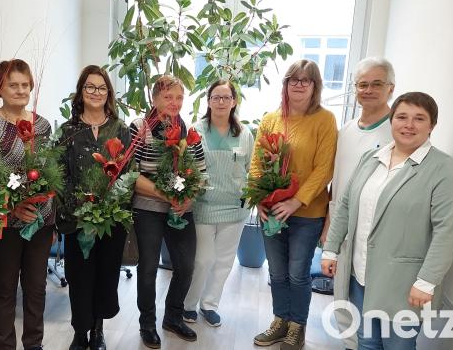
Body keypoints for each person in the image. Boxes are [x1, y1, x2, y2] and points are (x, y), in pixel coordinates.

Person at [321, 92, 453, 350]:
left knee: (398, 345)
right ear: (391, 120)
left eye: (419, 118)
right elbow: (346, 205)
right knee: (366, 343)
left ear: (432, 125)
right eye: (402, 117)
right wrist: (331, 249)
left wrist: (427, 282)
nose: (409, 125)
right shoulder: (371, 158)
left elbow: (447, 231)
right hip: (361, 273)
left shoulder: (443, 169)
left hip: (405, 283)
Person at [251, 59, 338, 350]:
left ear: (315, 86)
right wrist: (259, 200)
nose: (299, 85)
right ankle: (280, 321)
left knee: (297, 274)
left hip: (307, 213)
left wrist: (295, 202)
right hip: (271, 211)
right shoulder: (270, 119)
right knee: (276, 273)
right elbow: (257, 164)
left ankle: (296, 327)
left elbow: (324, 169)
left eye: (306, 80)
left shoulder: (324, 120)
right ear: (286, 84)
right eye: (293, 79)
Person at [0, 59, 52, 350]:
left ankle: (34, 344)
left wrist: (39, 206)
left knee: (36, 288)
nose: (20, 90)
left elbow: (49, 171)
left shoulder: (42, 125)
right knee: (4, 290)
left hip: (39, 221)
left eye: (25, 85)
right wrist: (11, 207)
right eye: (13, 85)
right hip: (3, 222)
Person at [321, 57, 396, 350]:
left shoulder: (396, 131)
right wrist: (329, 225)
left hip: (375, 231)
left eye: (376, 84)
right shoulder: (348, 130)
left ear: (390, 88)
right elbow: (338, 180)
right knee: (342, 295)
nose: (368, 90)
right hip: (342, 226)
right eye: (362, 85)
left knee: (369, 301)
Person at [56, 65, 132, 350]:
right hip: (77, 220)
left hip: (111, 221)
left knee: (105, 276)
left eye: (101, 88)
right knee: (79, 277)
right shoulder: (68, 131)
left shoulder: (121, 130)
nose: (96, 92)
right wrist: (77, 208)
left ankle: (98, 330)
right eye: (90, 87)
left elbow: (129, 173)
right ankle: (80, 332)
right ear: (81, 92)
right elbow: (59, 175)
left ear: (108, 93)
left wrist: (110, 207)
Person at [130, 75, 206, 349]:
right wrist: (165, 195)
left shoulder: (189, 132)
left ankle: (173, 317)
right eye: (167, 97)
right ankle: (147, 324)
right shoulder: (139, 128)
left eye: (179, 97)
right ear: (154, 99)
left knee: (186, 266)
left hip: (180, 209)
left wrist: (188, 198)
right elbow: (130, 175)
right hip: (147, 208)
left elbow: (201, 173)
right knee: (148, 268)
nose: (174, 103)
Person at [182, 80, 253, 327]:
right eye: (216, 97)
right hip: (203, 206)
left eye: (226, 97)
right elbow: (186, 168)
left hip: (234, 208)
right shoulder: (196, 131)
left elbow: (250, 168)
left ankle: (209, 305)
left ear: (234, 102)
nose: (221, 102)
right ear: (209, 101)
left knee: (224, 261)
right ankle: (189, 304)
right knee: (202, 260)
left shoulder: (244, 134)